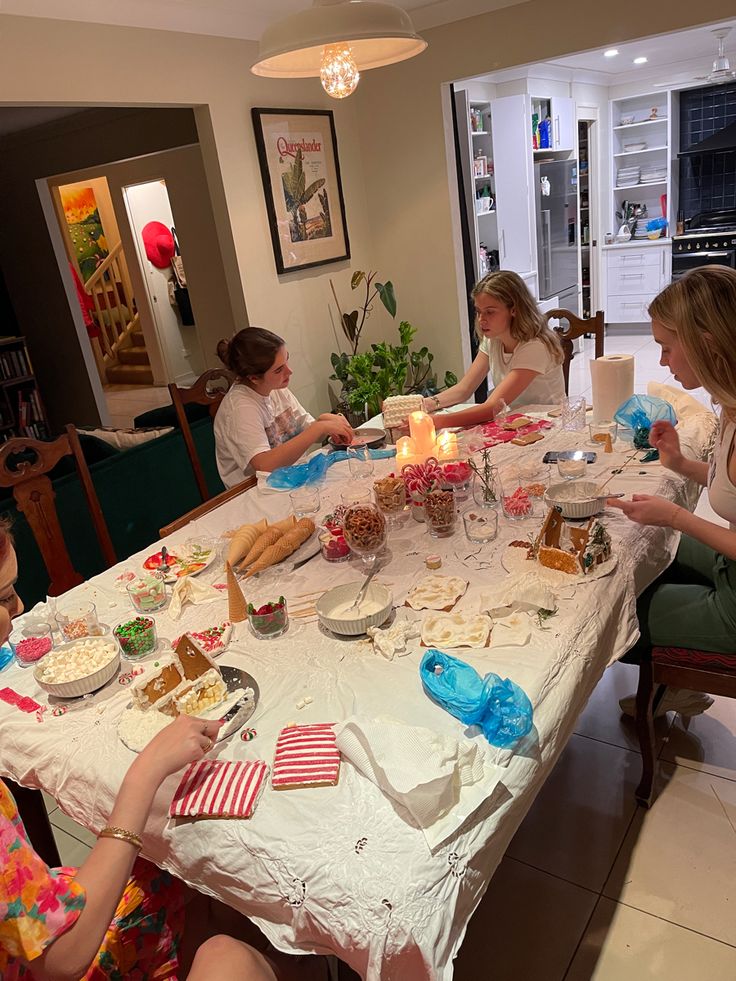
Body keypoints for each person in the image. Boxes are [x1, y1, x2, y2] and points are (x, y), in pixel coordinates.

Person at [0, 522, 278, 980]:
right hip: (54, 958)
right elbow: (62, 957)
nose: (17, 609)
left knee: (181, 871)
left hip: (34, 920)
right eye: (6, 594)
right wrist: (145, 771)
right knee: (230, 957)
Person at [608, 265, 736, 717]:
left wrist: (677, 516)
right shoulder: (730, 405)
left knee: (616, 615)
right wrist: (679, 464)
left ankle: (675, 685)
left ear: (706, 341)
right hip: (730, 567)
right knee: (632, 557)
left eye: (666, 346)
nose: (662, 361)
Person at [421, 270, 565, 429]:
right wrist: (426, 404)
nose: (482, 319)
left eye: (490, 312)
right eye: (478, 312)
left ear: (514, 310)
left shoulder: (535, 346)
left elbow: (493, 407)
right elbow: (464, 389)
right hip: (517, 421)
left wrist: (434, 422)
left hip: (549, 424)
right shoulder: (493, 340)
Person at [215, 327, 354, 486]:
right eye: (279, 369)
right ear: (254, 378)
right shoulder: (239, 408)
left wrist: (327, 423)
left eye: (286, 360)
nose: (289, 371)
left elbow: (305, 430)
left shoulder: (275, 389)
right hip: (256, 492)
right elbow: (264, 465)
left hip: (293, 478)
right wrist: (319, 428)